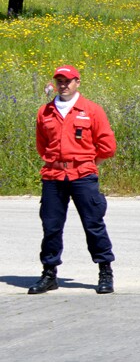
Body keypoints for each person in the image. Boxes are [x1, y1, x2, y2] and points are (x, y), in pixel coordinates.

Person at [29, 65, 118, 295]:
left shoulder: (91, 110)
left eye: (68, 81)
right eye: (59, 81)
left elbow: (107, 146)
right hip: (54, 176)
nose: (63, 85)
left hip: (83, 176)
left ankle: (105, 271)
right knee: (51, 226)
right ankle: (49, 273)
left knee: (93, 224)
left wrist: (87, 163)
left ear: (77, 82)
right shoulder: (45, 112)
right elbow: (42, 146)